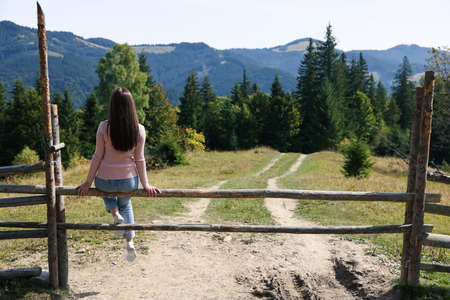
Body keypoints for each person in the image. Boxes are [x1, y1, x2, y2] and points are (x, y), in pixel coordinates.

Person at [77, 87, 160, 262]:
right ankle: (129, 242)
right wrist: (146, 185)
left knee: (105, 192)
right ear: (131, 106)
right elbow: (140, 159)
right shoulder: (140, 130)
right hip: (128, 181)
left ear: (112, 106)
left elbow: (97, 156)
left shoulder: (103, 127)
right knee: (126, 204)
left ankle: (114, 213)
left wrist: (87, 183)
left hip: (105, 180)